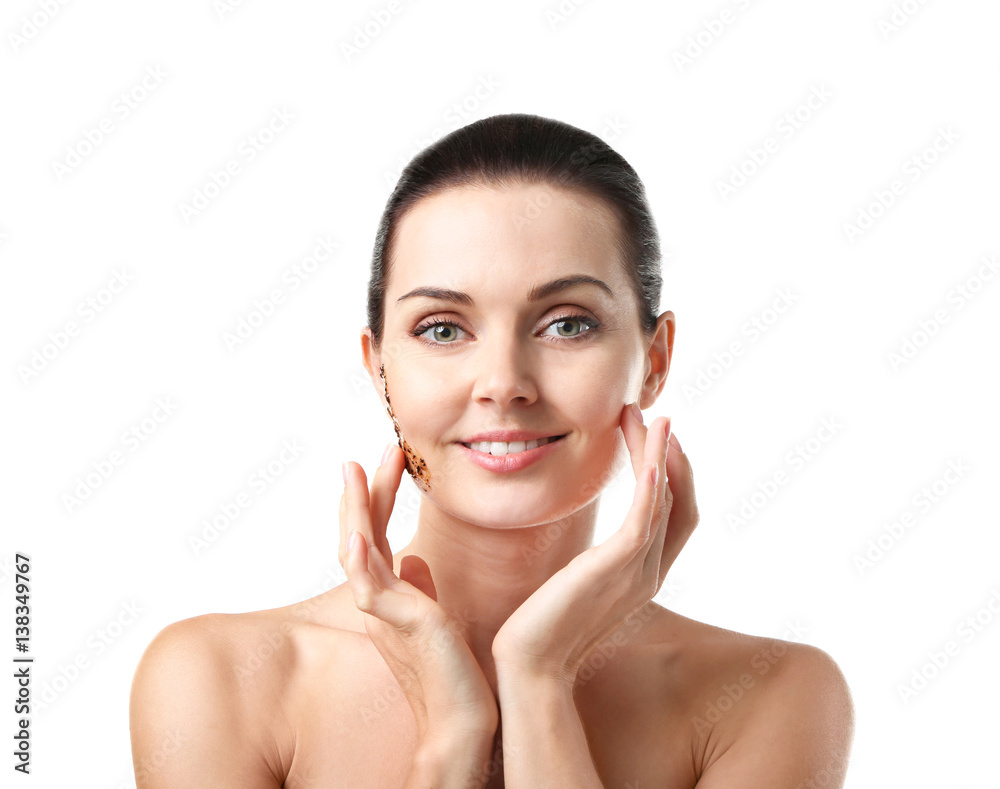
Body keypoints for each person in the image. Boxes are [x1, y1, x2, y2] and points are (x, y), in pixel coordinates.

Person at [129, 113, 854, 788]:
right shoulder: (218, 679)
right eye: (443, 328)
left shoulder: (770, 693)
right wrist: (452, 741)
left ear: (655, 359)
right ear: (378, 366)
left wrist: (538, 678)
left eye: (566, 324)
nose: (504, 384)